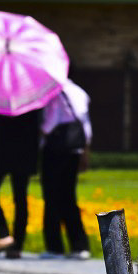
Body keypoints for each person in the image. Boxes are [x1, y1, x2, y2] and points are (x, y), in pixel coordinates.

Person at [39, 79, 92, 260]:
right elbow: (85, 124)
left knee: (51, 197)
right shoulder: (79, 91)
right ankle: (79, 246)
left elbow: (50, 123)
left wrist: (41, 129)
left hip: (55, 150)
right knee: (69, 197)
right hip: (74, 148)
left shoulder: (53, 93)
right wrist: (85, 150)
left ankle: (55, 247)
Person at [0, 109, 41, 259]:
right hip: (24, 149)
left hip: (0, 147)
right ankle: (16, 246)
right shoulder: (30, 94)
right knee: (20, 197)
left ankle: (4, 235)